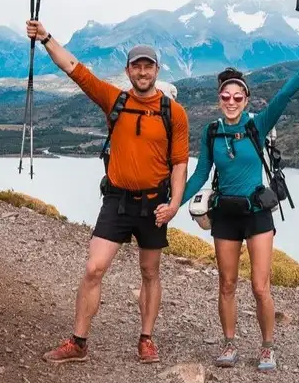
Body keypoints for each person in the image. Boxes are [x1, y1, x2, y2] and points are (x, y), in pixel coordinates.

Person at [27, 19, 190, 365]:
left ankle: (146, 338)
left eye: (148, 66)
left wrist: (174, 203)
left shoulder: (173, 112)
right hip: (116, 200)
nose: (142, 72)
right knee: (94, 269)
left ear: (157, 70)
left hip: (154, 203)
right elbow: (76, 70)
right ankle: (78, 342)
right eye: (137, 66)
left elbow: (179, 163)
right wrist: (46, 38)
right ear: (128, 70)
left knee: (150, 272)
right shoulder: (114, 100)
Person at [180, 44, 299, 372]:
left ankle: (267, 347)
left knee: (261, 286)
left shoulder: (257, 126)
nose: (231, 102)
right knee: (227, 283)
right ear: (219, 100)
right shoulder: (211, 133)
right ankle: (229, 343)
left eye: (237, 97)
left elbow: (284, 96)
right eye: (226, 97)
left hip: (256, 214)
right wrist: (172, 204)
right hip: (224, 216)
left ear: (246, 101)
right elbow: (200, 175)